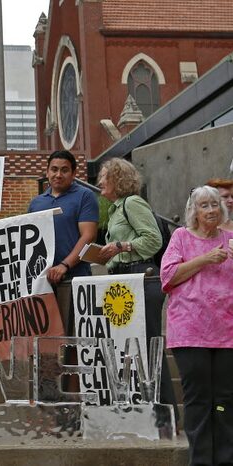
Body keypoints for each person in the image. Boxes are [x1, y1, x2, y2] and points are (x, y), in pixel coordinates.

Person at [96, 157, 177, 415]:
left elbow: (153, 240)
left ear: (117, 179)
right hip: (122, 279)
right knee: (131, 349)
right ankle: (142, 412)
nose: (99, 181)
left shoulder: (132, 203)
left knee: (150, 349)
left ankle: (165, 416)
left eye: (104, 176)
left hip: (141, 277)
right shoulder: (115, 209)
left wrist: (121, 246)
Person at [161, 186, 233, 465]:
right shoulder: (181, 237)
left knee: (226, 398)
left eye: (215, 204)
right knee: (199, 398)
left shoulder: (230, 240)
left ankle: (226, 459)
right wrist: (205, 259)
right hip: (190, 331)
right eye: (204, 205)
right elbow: (168, 277)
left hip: (227, 331)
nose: (212, 210)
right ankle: (201, 460)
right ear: (194, 211)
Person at [28, 150, 99, 283]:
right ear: (47, 172)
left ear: (74, 174)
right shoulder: (36, 203)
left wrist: (64, 265)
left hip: (75, 277)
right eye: (54, 169)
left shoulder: (85, 196)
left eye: (64, 170)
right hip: (41, 280)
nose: (58, 175)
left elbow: (89, 236)